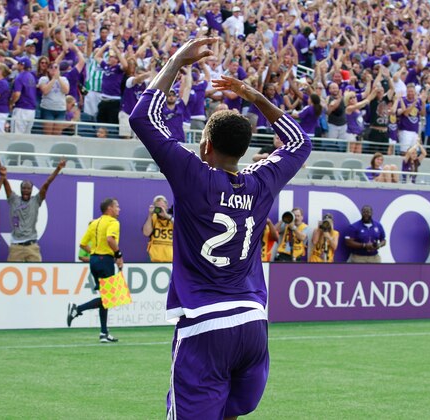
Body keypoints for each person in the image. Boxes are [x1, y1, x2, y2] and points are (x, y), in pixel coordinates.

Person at [129, 38, 311, 418]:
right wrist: (255, 96)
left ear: (205, 145)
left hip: (205, 325)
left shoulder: (193, 174)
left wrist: (177, 59)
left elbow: (142, 117)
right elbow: (299, 142)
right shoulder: (261, 181)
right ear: (243, 149)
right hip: (252, 325)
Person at [67, 198, 123, 343]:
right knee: (108, 298)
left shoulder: (94, 223)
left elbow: (82, 244)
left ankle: (104, 333)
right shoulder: (113, 222)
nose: (119, 209)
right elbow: (110, 239)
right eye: (117, 206)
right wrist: (118, 255)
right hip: (105, 261)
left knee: (105, 298)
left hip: (94, 261)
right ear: (110, 208)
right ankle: (77, 309)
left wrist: (95, 252)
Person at [0, 154, 66, 262]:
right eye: (24, 188)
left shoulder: (36, 200)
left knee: (36, 275)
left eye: (28, 188)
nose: (26, 190)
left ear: (32, 190)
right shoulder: (14, 199)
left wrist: (58, 169)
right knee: (12, 276)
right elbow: (4, 181)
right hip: (16, 247)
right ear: (20, 189)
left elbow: (47, 183)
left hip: (32, 246)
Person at [142, 195, 174, 263]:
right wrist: (150, 215)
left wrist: (167, 216)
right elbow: (146, 233)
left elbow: (181, 230)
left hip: (171, 260)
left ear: (167, 207)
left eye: (162, 207)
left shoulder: (172, 218)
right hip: (154, 259)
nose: (161, 210)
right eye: (158, 208)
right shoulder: (153, 218)